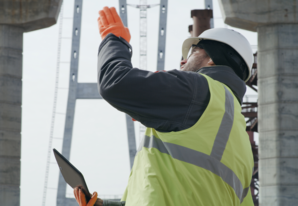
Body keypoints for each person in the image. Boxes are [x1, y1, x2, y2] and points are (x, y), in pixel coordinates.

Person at [74, 6, 254, 206]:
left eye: (193, 51)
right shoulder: (242, 144)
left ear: (211, 60)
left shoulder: (197, 90)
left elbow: (115, 83)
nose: (182, 60)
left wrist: (114, 39)